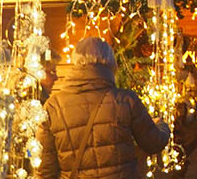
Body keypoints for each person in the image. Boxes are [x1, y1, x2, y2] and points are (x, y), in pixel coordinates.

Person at [38, 37, 169, 179]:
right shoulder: (126, 100)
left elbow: (46, 169)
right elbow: (154, 143)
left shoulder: (53, 107)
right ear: (110, 63)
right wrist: (161, 125)